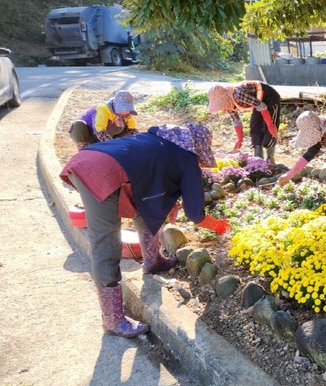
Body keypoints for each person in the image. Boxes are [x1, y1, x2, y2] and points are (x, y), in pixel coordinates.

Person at [60, 123, 230, 338]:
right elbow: (195, 214)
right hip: (97, 172)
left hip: (89, 159)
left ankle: (152, 260)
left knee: (144, 207)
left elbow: (150, 183)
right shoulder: (187, 157)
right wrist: (219, 226)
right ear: (198, 146)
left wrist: (170, 201)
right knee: (106, 240)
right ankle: (112, 319)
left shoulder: (160, 141)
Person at [207, 82, 281, 160]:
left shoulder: (238, 95)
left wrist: (270, 124)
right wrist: (240, 140)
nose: (222, 107)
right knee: (255, 126)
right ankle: (258, 157)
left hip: (269, 96)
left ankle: (270, 158)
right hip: (258, 101)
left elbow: (262, 106)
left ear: (224, 97)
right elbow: (236, 121)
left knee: (270, 129)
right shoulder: (228, 103)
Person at [69, 90, 140, 150]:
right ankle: (84, 147)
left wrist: (138, 143)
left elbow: (132, 129)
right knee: (78, 124)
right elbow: (99, 130)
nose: (125, 113)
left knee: (125, 127)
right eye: (122, 110)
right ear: (115, 105)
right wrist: (110, 146)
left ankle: (109, 145)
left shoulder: (127, 114)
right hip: (90, 134)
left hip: (104, 137)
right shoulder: (103, 109)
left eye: (127, 110)